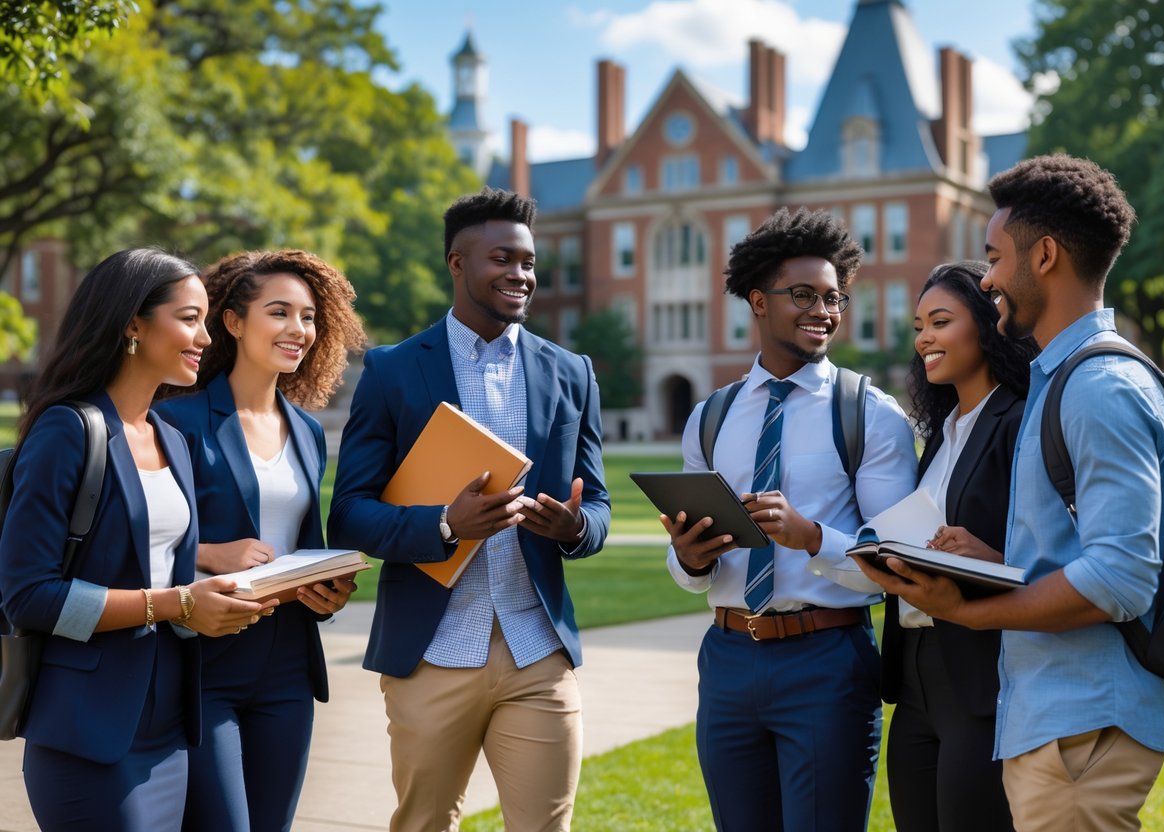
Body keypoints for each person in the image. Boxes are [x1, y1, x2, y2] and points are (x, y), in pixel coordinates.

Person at [855, 154, 1164, 832]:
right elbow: (1075, 550)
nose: (991, 278)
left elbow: (1120, 577)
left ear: (1045, 256)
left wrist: (968, 611)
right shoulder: (1055, 382)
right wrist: (983, 559)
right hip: (1048, 719)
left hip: (1081, 725)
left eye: (994, 257)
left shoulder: (1097, 385)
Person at [327, 187, 611, 832]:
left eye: (529, 263)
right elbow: (347, 516)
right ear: (457, 263)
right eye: (502, 258)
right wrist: (446, 526)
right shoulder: (395, 370)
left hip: (537, 650)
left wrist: (573, 528)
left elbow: (595, 505)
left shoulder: (572, 373)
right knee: (424, 823)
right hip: (430, 651)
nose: (520, 274)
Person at [662, 207, 918, 831]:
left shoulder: (871, 414)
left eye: (834, 297)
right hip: (726, 656)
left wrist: (812, 538)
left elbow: (901, 560)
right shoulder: (710, 417)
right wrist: (690, 557)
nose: (823, 310)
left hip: (826, 658)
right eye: (803, 295)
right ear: (757, 300)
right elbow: (688, 569)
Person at [0, 248, 272, 830]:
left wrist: (211, 601)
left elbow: (165, 578)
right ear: (132, 323)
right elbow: (29, 596)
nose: (204, 336)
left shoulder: (170, 440)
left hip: (171, 723)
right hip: (88, 732)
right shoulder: (66, 432)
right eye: (189, 318)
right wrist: (174, 603)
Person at [154, 249, 367, 832]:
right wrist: (204, 553)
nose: (298, 330)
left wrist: (328, 586)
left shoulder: (305, 430)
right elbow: (130, 537)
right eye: (279, 312)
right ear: (232, 322)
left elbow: (304, 541)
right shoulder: (176, 421)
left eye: (308, 317)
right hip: (204, 659)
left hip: (287, 665)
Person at [880, 261, 1037, 832]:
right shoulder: (943, 432)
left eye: (940, 321)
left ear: (989, 322)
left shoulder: (1020, 421)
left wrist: (991, 557)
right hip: (916, 674)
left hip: (979, 675)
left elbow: (1047, 554)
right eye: (919, 324)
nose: (924, 337)